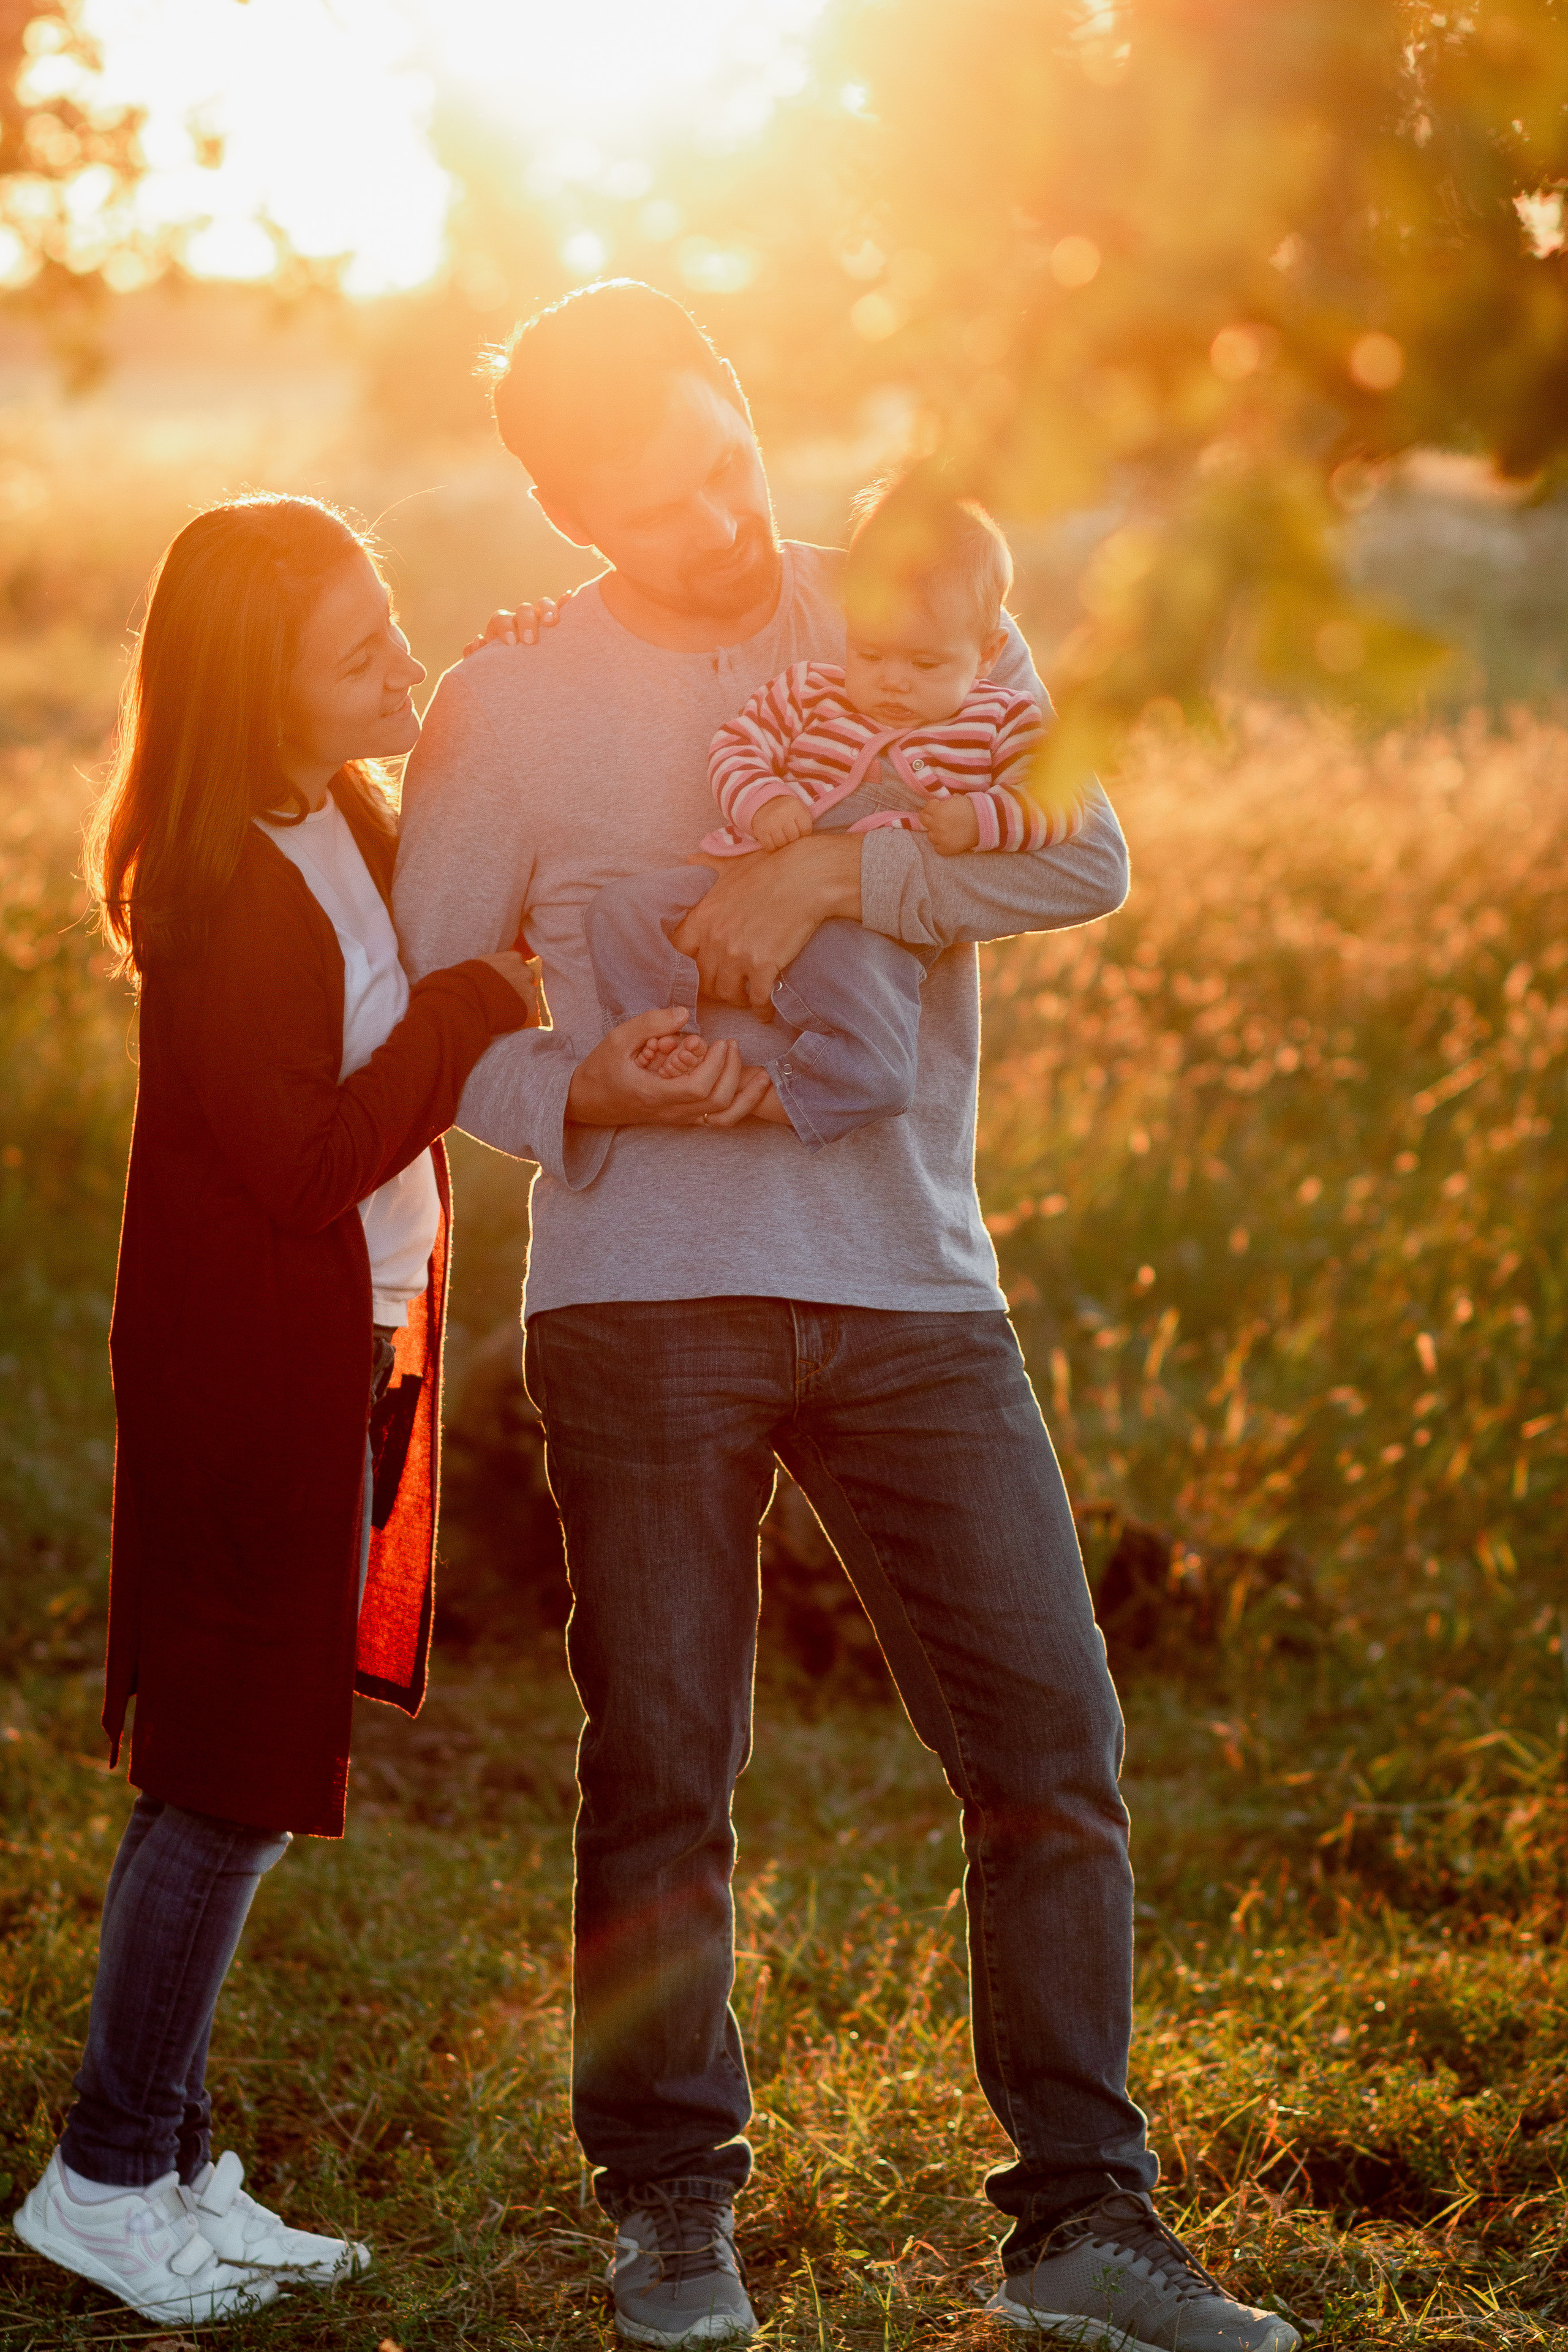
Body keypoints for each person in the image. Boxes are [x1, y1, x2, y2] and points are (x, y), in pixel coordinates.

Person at [394, 281, 1300, 2352]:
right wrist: (577, 1091)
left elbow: (1086, 857)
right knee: (665, 1773)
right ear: (568, 517)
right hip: (644, 1300)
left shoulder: (909, 596)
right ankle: (670, 2208)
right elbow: (432, 1026)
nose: (715, 527)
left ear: (741, 401)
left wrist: (828, 880)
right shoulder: (508, 702)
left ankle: (1084, 2228)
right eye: (653, 511)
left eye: (725, 466)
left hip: (910, 1288)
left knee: (1053, 1749)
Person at [11, 495, 537, 2330]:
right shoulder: (223, 883)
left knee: (227, 1763)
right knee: (223, 1788)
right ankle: (103, 2172)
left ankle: (168, 2158)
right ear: (260, 684)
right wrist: (468, 1004)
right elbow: (311, 1153)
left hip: (353, 1339)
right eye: (353, 646)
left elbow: (450, 887)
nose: (392, 658)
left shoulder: (342, 813)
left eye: (390, 616)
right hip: (250, 1372)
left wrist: (509, 673)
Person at [583, 478, 1085, 1150]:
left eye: (925, 663)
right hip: (739, 872)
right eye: (870, 654)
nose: (893, 680)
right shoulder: (808, 690)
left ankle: (789, 1093)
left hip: (860, 930)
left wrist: (980, 817)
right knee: (621, 912)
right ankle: (660, 1034)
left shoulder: (1003, 717)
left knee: (876, 1055)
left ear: (987, 653)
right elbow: (738, 744)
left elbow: (1057, 809)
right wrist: (764, 799)